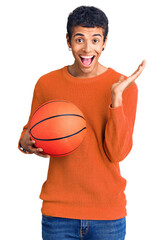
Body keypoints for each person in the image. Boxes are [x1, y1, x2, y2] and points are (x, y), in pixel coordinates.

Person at [18, 6, 146, 240]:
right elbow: (30, 136)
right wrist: (27, 143)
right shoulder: (46, 84)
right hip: (58, 213)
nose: (87, 48)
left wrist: (116, 99)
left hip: (108, 215)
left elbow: (117, 153)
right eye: (79, 39)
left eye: (95, 39)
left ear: (104, 42)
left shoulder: (125, 88)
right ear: (68, 40)